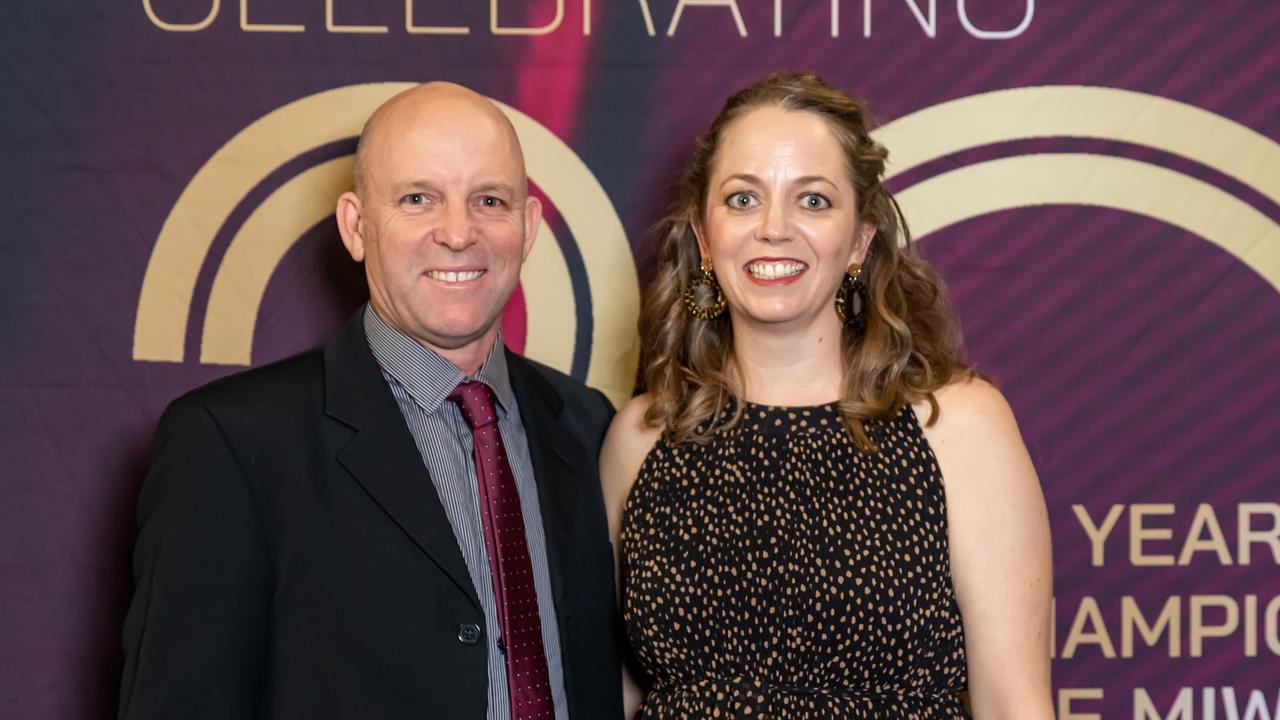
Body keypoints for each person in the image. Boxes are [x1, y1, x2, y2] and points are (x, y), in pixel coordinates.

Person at [119, 82, 623, 720]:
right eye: (419, 198)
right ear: (357, 227)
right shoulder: (229, 443)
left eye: (488, 200)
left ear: (526, 230)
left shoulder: (588, 426)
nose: (458, 233)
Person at [601, 73, 1053, 719]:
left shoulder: (955, 425)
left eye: (813, 201)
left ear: (861, 241)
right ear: (703, 236)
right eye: (742, 199)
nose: (775, 229)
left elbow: (1014, 704)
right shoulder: (642, 437)